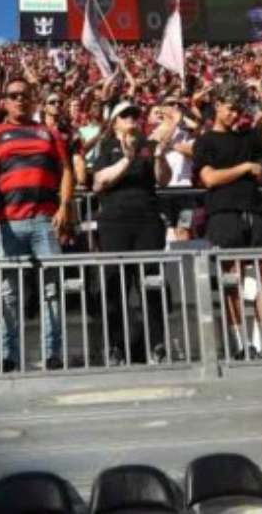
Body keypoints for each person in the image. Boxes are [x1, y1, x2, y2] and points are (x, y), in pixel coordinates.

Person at [0, 77, 74, 372]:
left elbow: (66, 171)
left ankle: (53, 354)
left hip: (45, 221)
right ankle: (9, 357)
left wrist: (65, 206)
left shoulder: (49, 133)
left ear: (33, 99)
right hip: (8, 223)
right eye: (14, 95)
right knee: (8, 294)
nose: (20, 99)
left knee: (52, 291)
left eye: (25, 95)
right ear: (4, 101)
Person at [192, 82, 262, 359]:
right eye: (230, 109)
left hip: (254, 213)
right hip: (223, 214)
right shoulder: (205, 141)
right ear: (217, 106)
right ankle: (239, 344)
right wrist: (245, 167)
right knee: (232, 281)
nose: (235, 115)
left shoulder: (246, 137)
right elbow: (209, 178)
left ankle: (259, 343)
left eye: (238, 110)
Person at [91, 101, 174, 364]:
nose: (131, 119)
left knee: (151, 283)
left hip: (147, 221)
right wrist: (127, 159)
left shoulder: (149, 146)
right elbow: (99, 182)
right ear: (114, 122)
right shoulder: (106, 147)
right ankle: (115, 346)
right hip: (115, 222)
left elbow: (164, 180)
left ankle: (157, 344)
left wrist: (159, 157)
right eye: (125, 115)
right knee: (115, 285)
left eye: (134, 115)